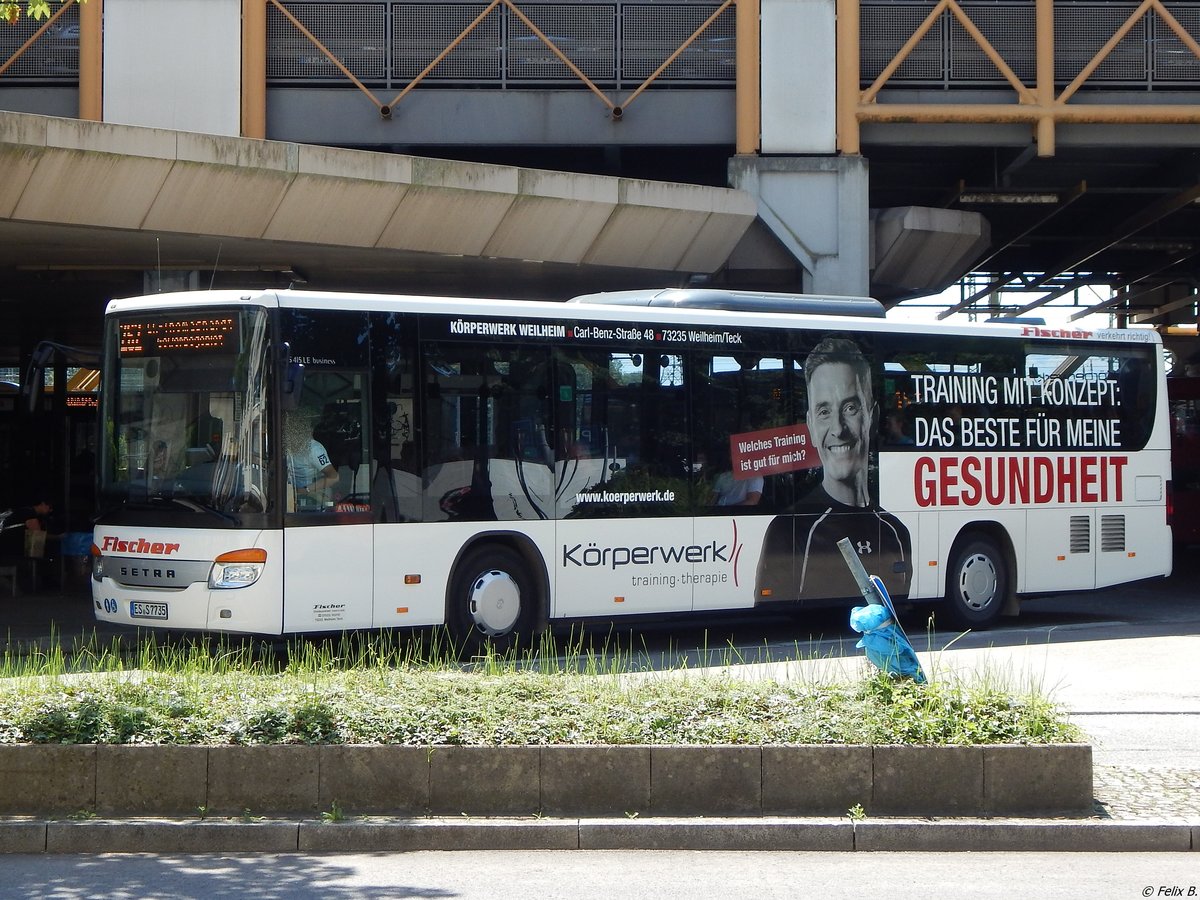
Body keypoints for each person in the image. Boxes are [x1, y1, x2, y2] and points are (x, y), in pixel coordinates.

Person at [755, 337, 911, 603]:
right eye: (824, 411)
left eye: (850, 407)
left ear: (871, 417)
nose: (838, 429)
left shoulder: (897, 533)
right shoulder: (788, 531)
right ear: (811, 426)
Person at [285, 408, 339, 510]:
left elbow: (334, 477)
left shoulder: (314, 450)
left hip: (312, 495)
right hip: (289, 495)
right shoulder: (286, 447)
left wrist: (305, 490)